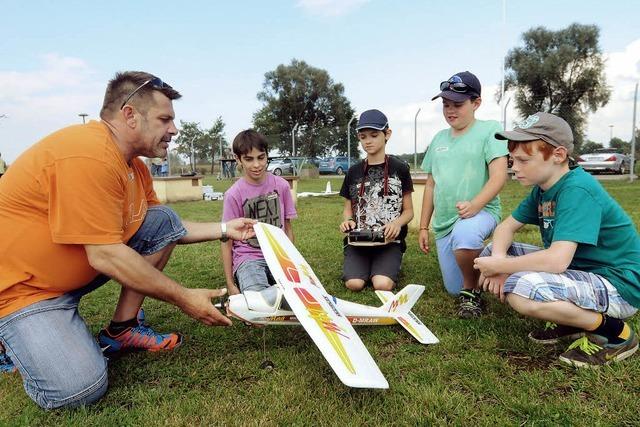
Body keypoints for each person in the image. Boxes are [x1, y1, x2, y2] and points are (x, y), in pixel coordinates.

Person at [0, 71, 255, 409]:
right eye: (165, 119)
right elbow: (105, 255)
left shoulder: (134, 165)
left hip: (70, 279)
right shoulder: (87, 153)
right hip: (23, 291)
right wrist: (184, 298)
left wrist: (227, 228)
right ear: (130, 114)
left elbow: (166, 228)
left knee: (162, 219)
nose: (174, 130)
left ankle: (122, 329)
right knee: (78, 390)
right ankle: (11, 341)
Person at [474, 112, 640, 367]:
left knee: (520, 290)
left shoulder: (577, 189)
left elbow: (556, 261)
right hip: (582, 272)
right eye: (512, 159)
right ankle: (570, 322)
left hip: (618, 286)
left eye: (523, 160)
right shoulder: (543, 188)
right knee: (490, 252)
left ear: (558, 155)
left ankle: (616, 333)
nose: (513, 167)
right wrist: (496, 261)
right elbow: (505, 228)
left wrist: (502, 268)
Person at [418, 71, 508, 318]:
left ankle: (472, 293)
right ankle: (488, 262)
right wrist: (424, 227)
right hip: (446, 221)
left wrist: (476, 205)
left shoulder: (490, 130)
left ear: (476, 103)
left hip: (481, 212)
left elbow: (499, 176)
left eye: (458, 104)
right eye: (446, 105)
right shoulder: (438, 139)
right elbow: (430, 185)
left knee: (466, 233)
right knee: (452, 288)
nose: (450, 110)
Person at [339, 109, 414, 292]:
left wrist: (397, 223)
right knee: (354, 284)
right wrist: (348, 221)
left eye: (374, 135)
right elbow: (348, 208)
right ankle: (364, 264)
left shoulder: (400, 169)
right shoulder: (353, 172)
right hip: (359, 241)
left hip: (389, 241)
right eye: (363, 136)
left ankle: (390, 261)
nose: (368, 141)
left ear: (387, 134)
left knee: (382, 284)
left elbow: (409, 211)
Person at [221, 129, 297, 306]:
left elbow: (288, 228)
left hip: (279, 256)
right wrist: (230, 285)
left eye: (261, 157)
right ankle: (258, 286)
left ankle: (274, 285)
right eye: (249, 159)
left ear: (267, 156)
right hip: (248, 258)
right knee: (260, 308)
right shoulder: (233, 194)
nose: (256, 164)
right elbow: (226, 241)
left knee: (299, 300)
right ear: (238, 159)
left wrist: (291, 261)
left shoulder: (282, 186)